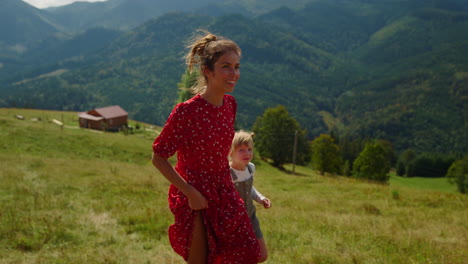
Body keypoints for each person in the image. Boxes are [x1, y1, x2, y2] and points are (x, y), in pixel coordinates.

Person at [151, 30, 261, 264]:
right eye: (226, 67)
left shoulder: (230, 104)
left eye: (237, 66)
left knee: (249, 254)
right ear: (207, 71)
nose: (234, 74)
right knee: (201, 260)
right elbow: (158, 158)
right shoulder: (186, 112)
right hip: (195, 193)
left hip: (224, 190)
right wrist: (190, 193)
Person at [229, 130, 271, 263]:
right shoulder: (227, 173)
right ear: (230, 152)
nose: (247, 153)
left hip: (251, 217)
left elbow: (249, 188)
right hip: (234, 221)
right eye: (240, 150)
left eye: (249, 149)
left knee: (262, 255)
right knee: (237, 256)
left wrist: (261, 198)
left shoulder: (250, 168)